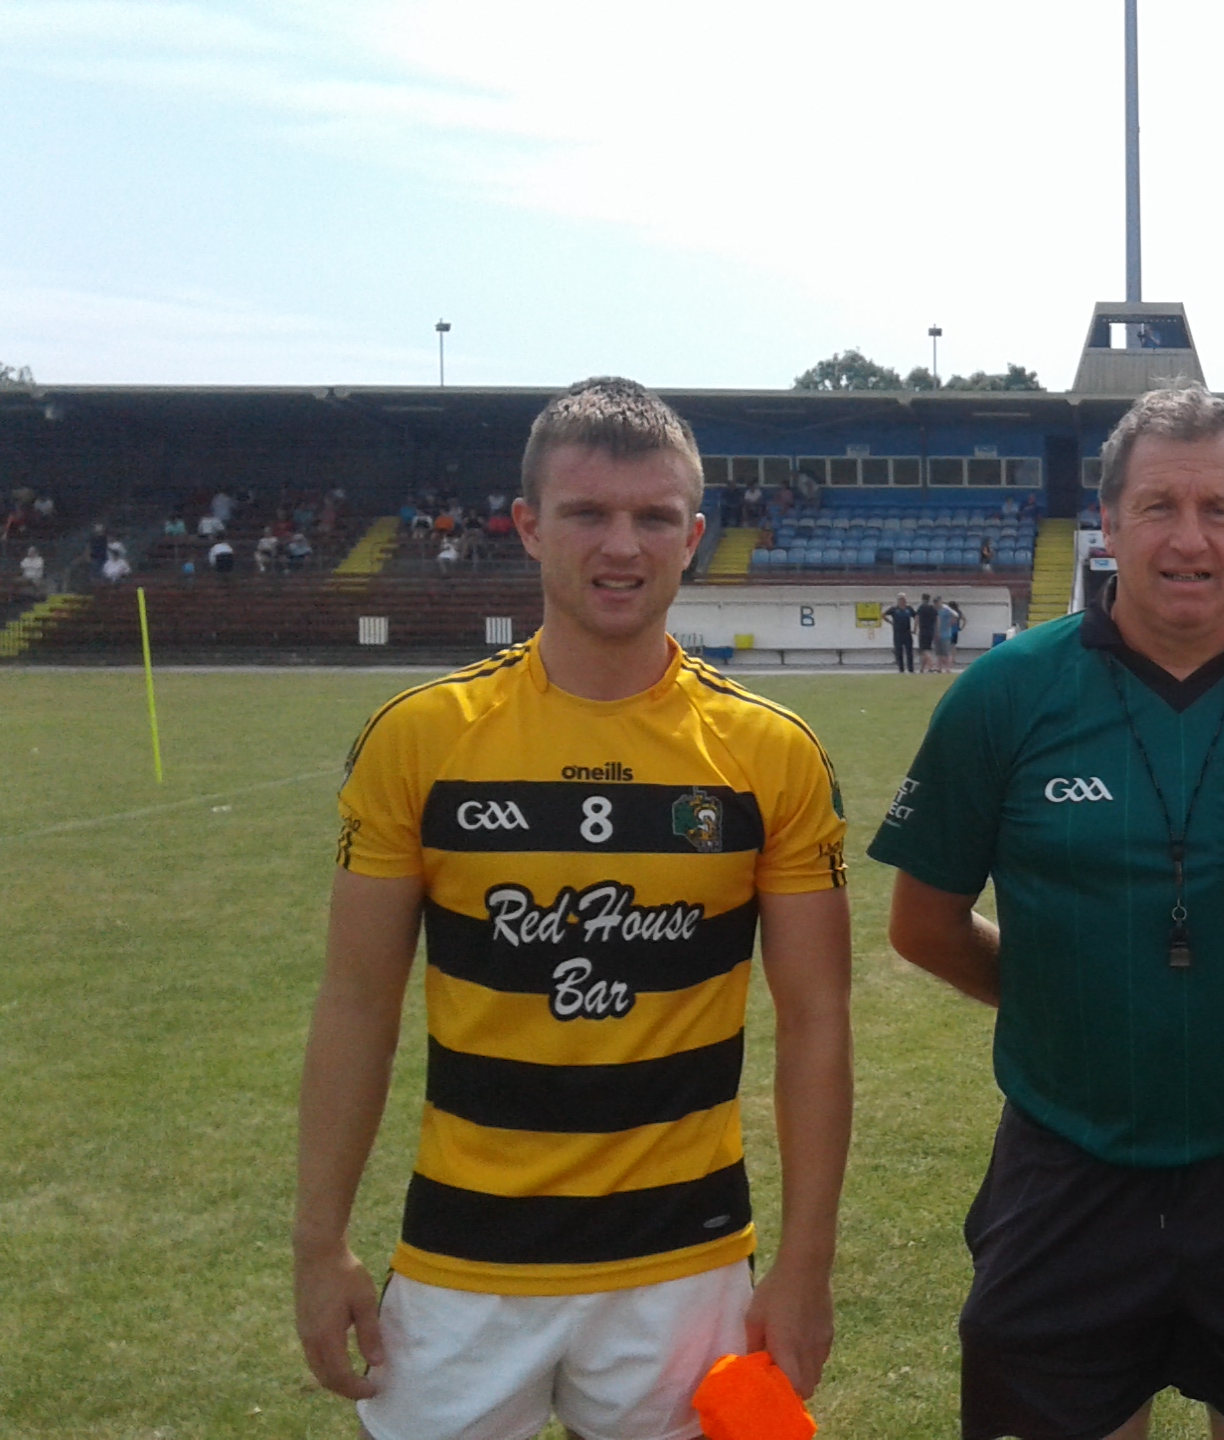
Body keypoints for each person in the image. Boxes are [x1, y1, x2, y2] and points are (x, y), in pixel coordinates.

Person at [869, 384, 1224, 1440]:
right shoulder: (1006, 693)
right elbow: (922, 924)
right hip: (1067, 1159)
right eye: (1158, 507)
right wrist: (1066, 1003)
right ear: (1108, 521)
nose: (1190, 539)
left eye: (1219, 509)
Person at [292, 377, 854, 1440]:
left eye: (654, 518)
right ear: (527, 526)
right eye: (587, 512)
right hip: (462, 1262)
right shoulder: (422, 738)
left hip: (686, 1264)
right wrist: (319, 1245)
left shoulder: (769, 754)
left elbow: (818, 1019)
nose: (622, 546)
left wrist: (806, 1263)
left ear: (693, 537)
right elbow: (357, 1002)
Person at [885, 593, 917, 673]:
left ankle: (911, 669)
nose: (903, 601)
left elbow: (916, 616)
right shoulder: (894, 609)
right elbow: (883, 615)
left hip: (907, 632)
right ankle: (901, 669)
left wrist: (915, 628)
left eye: (904, 599)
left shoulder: (909, 608)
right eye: (901, 599)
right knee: (899, 651)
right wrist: (890, 622)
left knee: (909, 651)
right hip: (898, 633)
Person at [937, 597, 964, 673]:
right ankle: (953, 659)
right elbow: (964, 620)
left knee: (947, 647)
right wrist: (961, 628)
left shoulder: (949, 612)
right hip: (956, 631)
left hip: (949, 631)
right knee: (953, 646)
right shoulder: (958, 612)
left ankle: (946, 662)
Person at [915, 593, 941, 673]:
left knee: (924, 650)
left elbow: (917, 618)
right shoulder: (932, 608)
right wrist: (937, 631)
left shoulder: (921, 607)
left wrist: (914, 628)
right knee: (927, 649)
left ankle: (932, 665)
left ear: (922, 598)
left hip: (923, 630)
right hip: (931, 630)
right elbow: (937, 619)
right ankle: (922, 668)